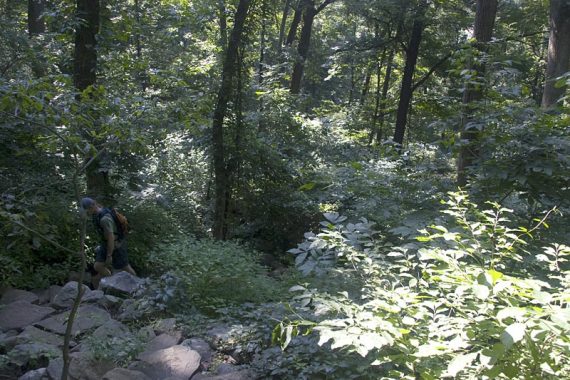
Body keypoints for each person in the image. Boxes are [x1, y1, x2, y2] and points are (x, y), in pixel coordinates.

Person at [80, 197, 136, 289]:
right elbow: (104, 235)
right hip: (106, 243)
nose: (86, 212)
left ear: (92, 206)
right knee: (98, 266)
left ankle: (139, 286)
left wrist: (109, 255)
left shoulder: (104, 219)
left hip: (117, 244)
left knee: (125, 267)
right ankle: (111, 282)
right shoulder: (96, 214)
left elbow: (111, 238)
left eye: (86, 210)